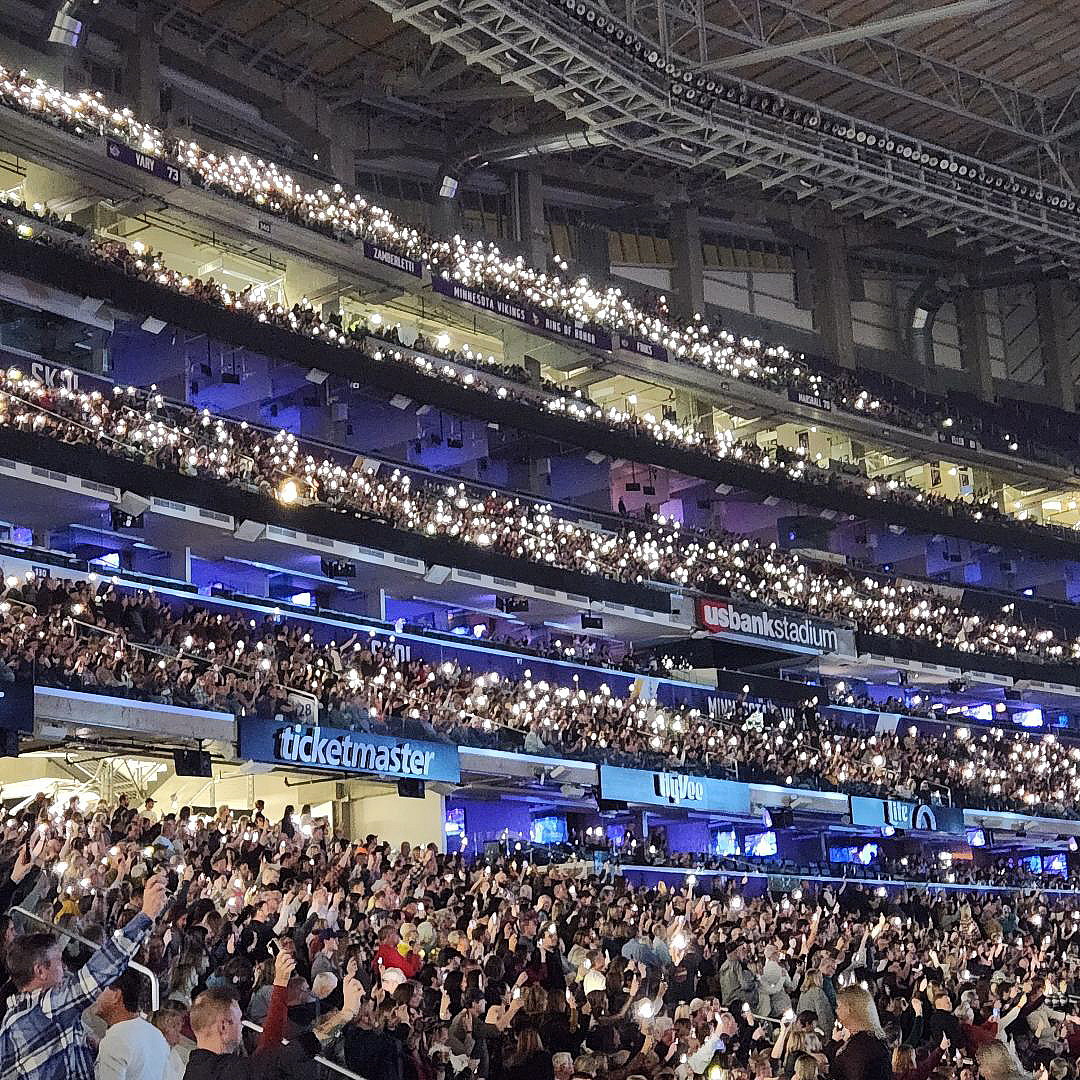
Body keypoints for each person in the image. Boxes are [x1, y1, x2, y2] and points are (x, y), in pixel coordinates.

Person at [0, 874, 167, 1080]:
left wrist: (88, 1047)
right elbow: (96, 974)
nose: (65, 968)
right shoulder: (44, 1009)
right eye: (58, 961)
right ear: (40, 971)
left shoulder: (14, 1018)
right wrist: (146, 915)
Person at [94, 968, 170, 1080]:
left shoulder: (115, 1041)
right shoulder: (157, 1035)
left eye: (101, 988)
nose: (95, 995)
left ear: (116, 995)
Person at [833, 985, 893, 1080]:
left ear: (850, 1009)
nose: (836, 1010)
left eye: (839, 1006)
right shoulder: (874, 1040)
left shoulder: (860, 1046)